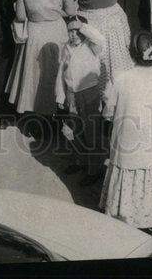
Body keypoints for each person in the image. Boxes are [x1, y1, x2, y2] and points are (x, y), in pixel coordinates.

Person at [100, 30, 152, 231]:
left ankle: (125, 216)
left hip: (128, 142)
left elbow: (108, 112)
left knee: (129, 170)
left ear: (131, 54)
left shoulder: (119, 78)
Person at [56, 15, 107, 179]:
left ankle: (95, 169)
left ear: (85, 32)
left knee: (92, 132)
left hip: (89, 94)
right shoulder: (66, 48)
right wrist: (60, 95)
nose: (74, 35)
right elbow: (61, 73)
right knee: (74, 129)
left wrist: (82, 26)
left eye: (77, 31)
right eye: (70, 31)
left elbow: (99, 38)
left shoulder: (91, 46)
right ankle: (81, 160)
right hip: (72, 95)